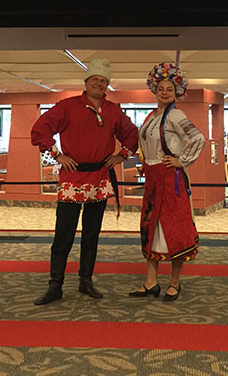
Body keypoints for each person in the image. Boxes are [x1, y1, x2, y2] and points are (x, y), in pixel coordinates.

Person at [31, 58, 139, 305]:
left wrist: (121, 154)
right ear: (86, 83)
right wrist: (57, 154)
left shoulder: (113, 111)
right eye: (95, 80)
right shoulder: (67, 106)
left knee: (92, 234)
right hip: (72, 177)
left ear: (106, 85)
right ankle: (55, 285)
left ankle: (85, 281)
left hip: (100, 178)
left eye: (103, 81)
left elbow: (132, 135)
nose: (99, 84)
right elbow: (40, 129)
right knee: (63, 234)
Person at [129, 63, 205, 301]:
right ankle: (151, 282)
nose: (164, 92)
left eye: (169, 89)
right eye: (160, 88)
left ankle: (174, 283)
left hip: (170, 179)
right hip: (153, 178)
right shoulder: (152, 115)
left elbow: (197, 138)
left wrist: (181, 161)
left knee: (174, 229)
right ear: (154, 89)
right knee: (151, 227)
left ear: (176, 92)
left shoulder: (175, 114)